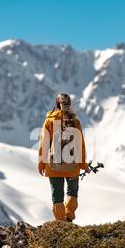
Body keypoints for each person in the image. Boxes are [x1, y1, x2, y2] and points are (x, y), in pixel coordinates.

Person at [38, 93, 90, 222]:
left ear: (56, 105)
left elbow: (44, 144)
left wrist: (41, 163)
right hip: (72, 166)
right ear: (69, 105)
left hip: (53, 166)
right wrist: (83, 164)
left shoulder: (49, 121)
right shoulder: (76, 122)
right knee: (72, 192)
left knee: (57, 196)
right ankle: (69, 216)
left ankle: (60, 222)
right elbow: (80, 145)